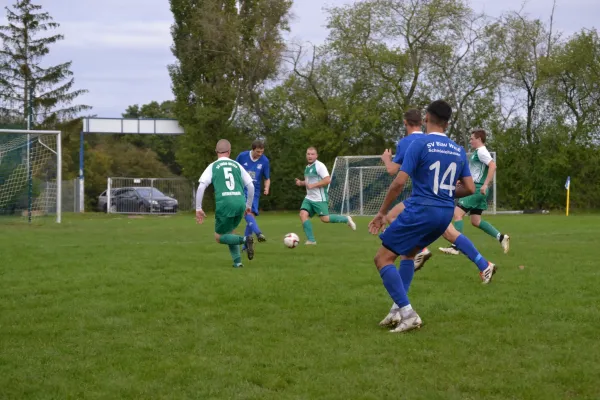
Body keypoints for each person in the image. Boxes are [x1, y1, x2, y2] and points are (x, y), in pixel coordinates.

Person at [368, 100, 495, 333]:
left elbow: (398, 182)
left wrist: (382, 212)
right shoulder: (457, 150)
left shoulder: (420, 143)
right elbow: (468, 187)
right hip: (444, 212)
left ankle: (408, 313)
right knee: (408, 254)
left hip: (421, 209)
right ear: (447, 123)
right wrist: (445, 192)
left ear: (426, 117)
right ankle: (397, 308)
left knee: (382, 259)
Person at [439, 129, 510, 255]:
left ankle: (455, 247)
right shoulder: (477, 152)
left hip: (477, 189)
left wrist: (485, 184)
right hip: (478, 188)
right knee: (475, 221)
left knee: (457, 214)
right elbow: (476, 172)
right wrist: (462, 181)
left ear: (479, 139)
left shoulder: (482, 151)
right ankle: (501, 237)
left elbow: (493, 166)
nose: (470, 140)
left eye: (472, 138)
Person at [381, 109, 432, 270]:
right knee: (451, 233)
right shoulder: (430, 139)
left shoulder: (405, 142)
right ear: (422, 122)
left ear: (405, 122)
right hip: (440, 195)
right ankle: (483, 264)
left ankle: (421, 249)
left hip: (422, 195)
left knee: (391, 217)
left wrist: (386, 159)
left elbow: (392, 171)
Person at [196, 139, 255, 268]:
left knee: (219, 237)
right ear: (229, 151)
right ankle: (237, 263)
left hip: (225, 203)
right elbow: (251, 186)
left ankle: (245, 240)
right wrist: (248, 205)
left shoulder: (213, 166)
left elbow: (201, 187)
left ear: (216, 152)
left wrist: (198, 208)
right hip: (240, 202)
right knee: (230, 232)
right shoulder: (237, 165)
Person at [295, 147, 356, 245]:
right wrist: (301, 183)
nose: (310, 156)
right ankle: (311, 240)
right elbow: (308, 182)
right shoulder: (308, 167)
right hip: (309, 198)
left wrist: (313, 185)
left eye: (312, 154)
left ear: (316, 155)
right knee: (303, 215)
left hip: (319, 198)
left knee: (325, 219)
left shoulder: (319, 166)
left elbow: (327, 180)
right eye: (308, 154)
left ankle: (346, 219)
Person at [236, 140, 270, 249]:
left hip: (255, 191)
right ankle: (258, 232)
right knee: (248, 213)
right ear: (253, 149)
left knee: (251, 216)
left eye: (262, 152)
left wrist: (266, 188)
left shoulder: (265, 161)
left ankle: (246, 246)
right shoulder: (242, 156)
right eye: (258, 152)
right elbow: (233, 169)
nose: (260, 154)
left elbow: (267, 178)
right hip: (242, 189)